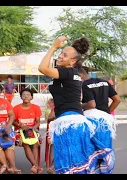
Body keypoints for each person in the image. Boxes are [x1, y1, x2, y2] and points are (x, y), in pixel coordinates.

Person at [38, 36, 113, 174]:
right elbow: (76, 97)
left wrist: (54, 47)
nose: (60, 56)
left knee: (69, 167)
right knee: (72, 165)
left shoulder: (66, 72)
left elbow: (42, 68)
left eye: (64, 55)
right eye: (60, 53)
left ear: (72, 61)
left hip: (69, 124)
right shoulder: (72, 73)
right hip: (73, 121)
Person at [78, 68, 119, 173]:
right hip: (105, 121)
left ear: (80, 75)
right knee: (105, 151)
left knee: (90, 152)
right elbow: (117, 100)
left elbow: (91, 105)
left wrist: (78, 106)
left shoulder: (84, 84)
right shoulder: (104, 82)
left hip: (91, 122)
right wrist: (106, 113)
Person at [12, 88, 42, 174]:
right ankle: (36, 166)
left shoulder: (36, 108)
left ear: (31, 97)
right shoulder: (16, 108)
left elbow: (38, 122)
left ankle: (34, 167)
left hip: (32, 130)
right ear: (21, 97)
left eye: (28, 95)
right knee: (25, 143)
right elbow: (12, 121)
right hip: (20, 131)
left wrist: (33, 128)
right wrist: (19, 125)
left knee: (35, 143)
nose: (26, 96)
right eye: (24, 95)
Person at [45, 99, 55, 174]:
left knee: (53, 148)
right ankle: (51, 166)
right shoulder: (53, 108)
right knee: (52, 147)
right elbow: (49, 119)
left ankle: (51, 166)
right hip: (54, 128)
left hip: (54, 128)